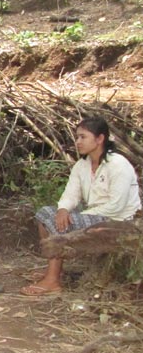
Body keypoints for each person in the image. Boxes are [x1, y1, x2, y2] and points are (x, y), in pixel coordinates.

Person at [22, 116, 141, 296]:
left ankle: (52, 280)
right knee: (45, 214)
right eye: (77, 137)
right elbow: (71, 194)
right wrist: (63, 209)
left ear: (100, 139)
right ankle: (55, 270)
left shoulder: (118, 165)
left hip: (119, 220)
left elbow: (116, 206)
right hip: (95, 214)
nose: (78, 141)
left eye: (83, 137)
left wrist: (79, 216)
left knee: (60, 224)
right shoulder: (82, 165)